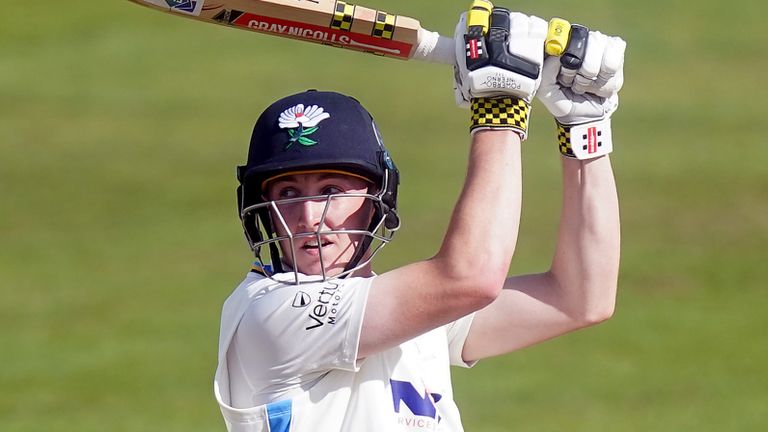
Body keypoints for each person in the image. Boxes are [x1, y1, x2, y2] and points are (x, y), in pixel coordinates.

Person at [214, 7, 625, 432]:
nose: (306, 216)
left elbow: (578, 300)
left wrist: (585, 127)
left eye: (332, 191)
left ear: (378, 200)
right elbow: (471, 278)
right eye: (287, 194)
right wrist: (498, 108)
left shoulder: (409, 314)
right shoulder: (270, 315)